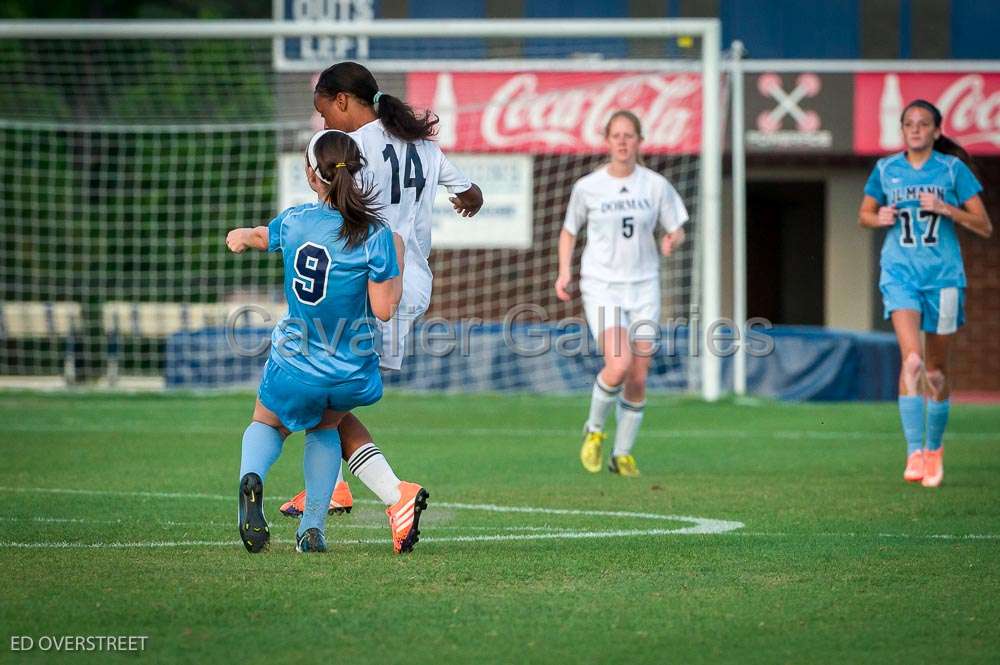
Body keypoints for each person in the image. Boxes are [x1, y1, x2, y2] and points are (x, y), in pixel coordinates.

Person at [278, 61, 483, 553]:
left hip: (366, 282)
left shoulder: (349, 150)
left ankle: (395, 495)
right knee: (328, 396)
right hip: (410, 284)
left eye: (323, 111)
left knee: (319, 392)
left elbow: (327, 198)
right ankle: (335, 488)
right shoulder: (424, 145)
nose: (322, 123)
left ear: (343, 101)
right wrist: (467, 201)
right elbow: (470, 192)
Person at [226, 130, 404, 553]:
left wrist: (241, 237)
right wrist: (398, 265)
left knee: (265, 423)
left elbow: (260, 236)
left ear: (312, 175)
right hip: (348, 365)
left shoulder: (295, 220)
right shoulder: (375, 233)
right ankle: (313, 529)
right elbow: (384, 309)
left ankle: (252, 482)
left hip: (296, 358)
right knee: (326, 429)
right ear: (356, 173)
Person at [858, 99, 991, 488]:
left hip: (944, 278)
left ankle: (934, 449)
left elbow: (983, 226)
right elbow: (863, 214)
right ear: (902, 130)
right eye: (909, 124)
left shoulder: (953, 170)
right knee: (911, 362)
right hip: (900, 274)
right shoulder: (886, 169)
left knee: (934, 371)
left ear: (936, 130)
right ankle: (914, 451)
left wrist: (947, 209)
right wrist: (877, 217)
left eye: (923, 124)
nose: (915, 129)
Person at [555, 110, 688, 477]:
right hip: (602, 285)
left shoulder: (655, 186)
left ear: (640, 141)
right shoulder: (589, 187)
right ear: (608, 141)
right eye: (617, 135)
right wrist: (564, 271)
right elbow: (569, 231)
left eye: (630, 135)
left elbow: (678, 227)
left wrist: (672, 239)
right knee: (618, 365)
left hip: (644, 286)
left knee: (639, 376)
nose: (624, 141)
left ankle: (622, 454)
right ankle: (594, 430)